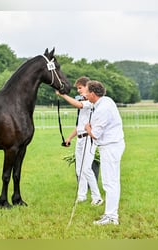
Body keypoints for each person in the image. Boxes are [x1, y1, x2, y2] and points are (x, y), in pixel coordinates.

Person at [56, 76, 103, 207]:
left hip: (88, 138)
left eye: (80, 88)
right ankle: (81, 196)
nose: (78, 91)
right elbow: (79, 125)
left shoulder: (90, 102)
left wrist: (63, 95)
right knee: (79, 170)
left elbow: (78, 104)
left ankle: (97, 196)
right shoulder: (84, 101)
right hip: (81, 139)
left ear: (87, 87)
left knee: (87, 168)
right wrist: (69, 138)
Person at [84, 80, 125, 225]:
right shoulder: (106, 101)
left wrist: (88, 128)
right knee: (111, 181)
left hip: (110, 147)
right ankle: (110, 214)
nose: (85, 95)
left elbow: (95, 133)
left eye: (87, 92)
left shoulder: (102, 109)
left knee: (110, 182)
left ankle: (111, 217)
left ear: (93, 94)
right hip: (112, 145)